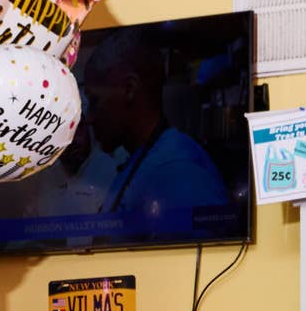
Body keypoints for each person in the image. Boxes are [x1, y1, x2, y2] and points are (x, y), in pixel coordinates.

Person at [82, 31, 229, 220]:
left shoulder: (176, 173)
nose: (89, 118)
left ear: (129, 89)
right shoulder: (151, 160)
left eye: (94, 101)